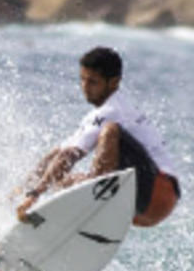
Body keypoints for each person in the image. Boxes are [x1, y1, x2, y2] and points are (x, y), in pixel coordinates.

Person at [16, 46, 180, 229]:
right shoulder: (97, 115)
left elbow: (71, 154)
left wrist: (35, 194)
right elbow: (59, 153)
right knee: (63, 179)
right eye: (82, 79)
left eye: (93, 82)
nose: (85, 87)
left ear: (114, 83)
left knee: (110, 131)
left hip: (159, 191)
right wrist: (24, 190)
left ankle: (94, 200)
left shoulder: (113, 110)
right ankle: (69, 211)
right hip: (141, 208)